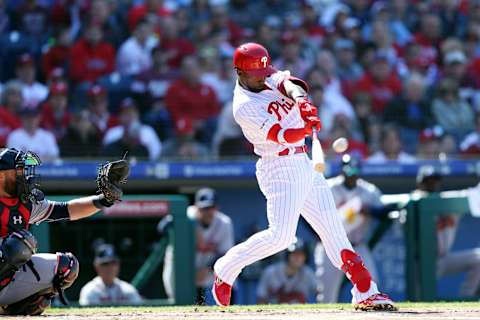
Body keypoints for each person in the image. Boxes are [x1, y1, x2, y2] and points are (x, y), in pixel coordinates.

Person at [211, 42, 396, 311]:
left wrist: (302, 101)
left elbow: (290, 84)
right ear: (240, 73)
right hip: (279, 167)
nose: (264, 76)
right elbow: (282, 137)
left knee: (334, 230)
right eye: (257, 73)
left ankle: (366, 290)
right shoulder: (243, 106)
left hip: (303, 162)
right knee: (281, 237)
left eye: (265, 70)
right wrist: (306, 128)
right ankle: (226, 268)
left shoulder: (264, 75)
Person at [0, 148, 129, 315]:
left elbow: (67, 210)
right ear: (1, 175)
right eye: (18, 170)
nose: (24, 175)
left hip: (9, 279)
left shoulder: (25, 202)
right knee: (20, 244)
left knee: (67, 266)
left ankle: (7, 309)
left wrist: (104, 200)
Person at [315, 154, 394, 303]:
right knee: (327, 294)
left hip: (357, 245)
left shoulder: (368, 191)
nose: (352, 174)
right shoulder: (328, 188)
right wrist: (317, 234)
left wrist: (368, 210)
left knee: (371, 285)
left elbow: (385, 211)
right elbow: (307, 212)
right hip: (331, 245)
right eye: (349, 170)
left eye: (355, 171)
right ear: (342, 171)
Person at [413, 165, 480, 297]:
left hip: (443, 259)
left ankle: (468, 298)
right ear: (420, 184)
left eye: (435, 181)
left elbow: (472, 195)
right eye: (428, 181)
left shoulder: (449, 202)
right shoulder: (414, 203)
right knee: (419, 299)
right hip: (421, 263)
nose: (432, 185)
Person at [162, 188, 234, 304]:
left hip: (206, 268)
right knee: (177, 301)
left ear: (217, 208)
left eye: (211, 208)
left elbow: (226, 253)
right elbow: (162, 228)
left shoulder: (224, 223)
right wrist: (192, 227)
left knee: (224, 280)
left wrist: (207, 269)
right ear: (196, 207)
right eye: (204, 208)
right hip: (180, 267)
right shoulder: (186, 215)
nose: (208, 212)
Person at [257, 239, 317, 304]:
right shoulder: (270, 272)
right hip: (275, 312)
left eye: (301, 255)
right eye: (294, 254)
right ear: (287, 255)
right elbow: (261, 298)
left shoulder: (308, 273)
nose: (297, 258)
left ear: (306, 257)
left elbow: (320, 291)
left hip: (299, 312)